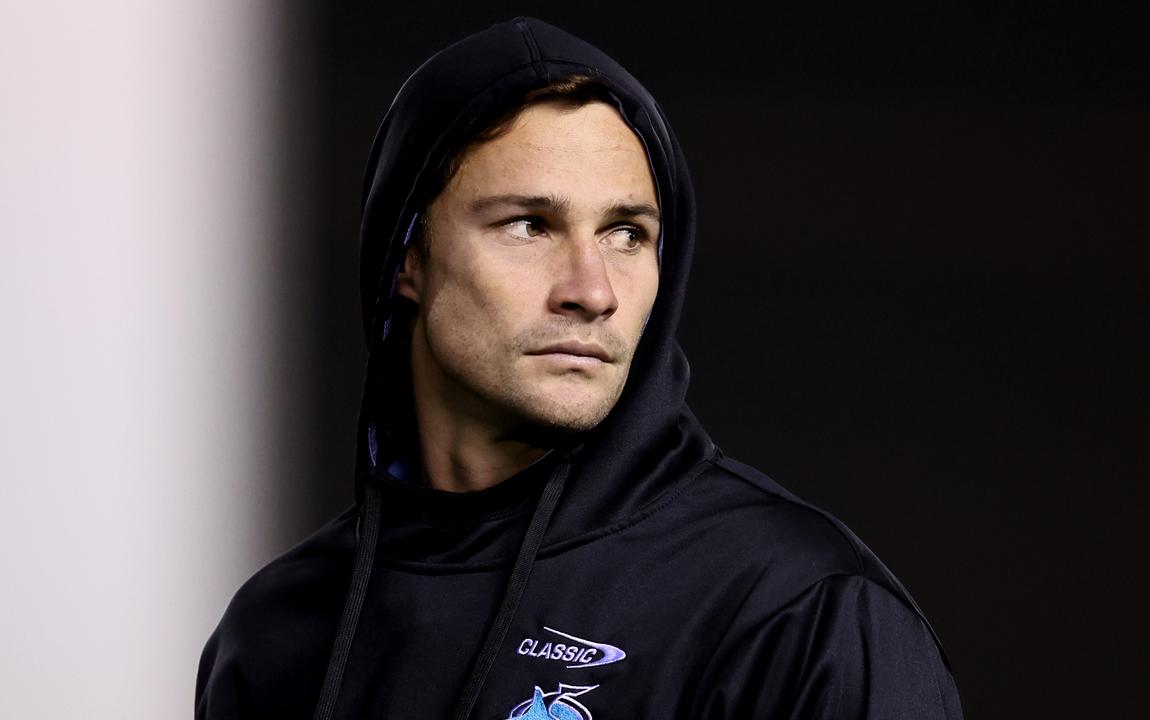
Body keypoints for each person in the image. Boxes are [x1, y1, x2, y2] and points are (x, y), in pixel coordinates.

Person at [196, 17, 962, 720]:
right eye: (530, 225)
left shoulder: (796, 613)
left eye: (627, 233)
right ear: (408, 254)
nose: (592, 292)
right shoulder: (278, 630)